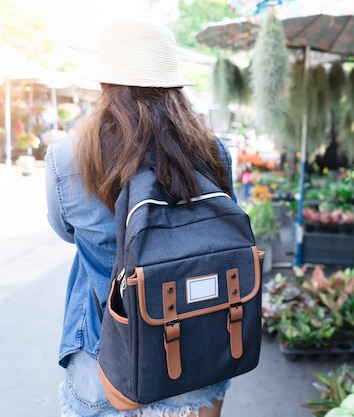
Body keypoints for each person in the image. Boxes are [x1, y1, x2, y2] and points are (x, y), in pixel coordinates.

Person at [45, 19, 235, 417]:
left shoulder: (68, 157)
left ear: (104, 84)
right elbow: (227, 231)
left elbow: (65, 231)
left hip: (103, 360)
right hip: (192, 349)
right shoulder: (210, 151)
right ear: (174, 86)